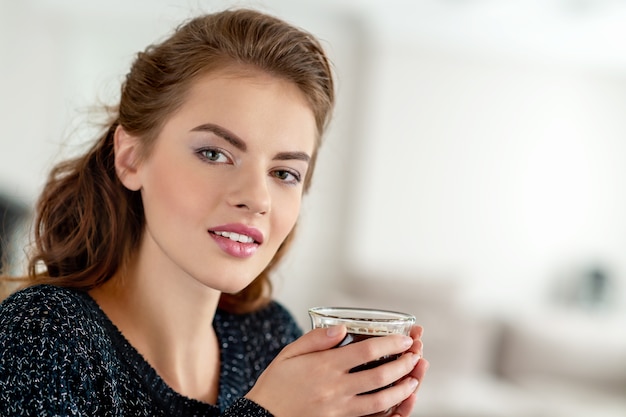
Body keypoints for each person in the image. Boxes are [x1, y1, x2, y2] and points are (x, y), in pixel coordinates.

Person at [0, 8, 429, 417]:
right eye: (214, 153)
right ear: (131, 158)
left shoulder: (268, 336)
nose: (257, 198)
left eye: (284, 172)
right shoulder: (44, 334)